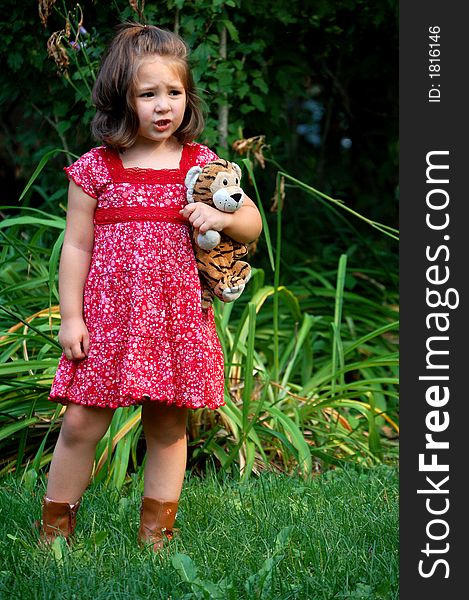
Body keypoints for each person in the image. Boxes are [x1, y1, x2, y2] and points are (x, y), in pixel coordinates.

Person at [39, 22, 262, 551]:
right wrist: (72, 317)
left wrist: (219, 215)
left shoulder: (201, 166)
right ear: (121, 99)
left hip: (173, 321)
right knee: (80, 426)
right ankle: (53, 536)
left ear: (188, 97)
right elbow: (77, 248)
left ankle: (156, 538)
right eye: (148, 94)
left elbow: (250, 223)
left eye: (174, 93)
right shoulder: (96, 170)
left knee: (168, 429)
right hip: (108, 322)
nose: (164, 106)